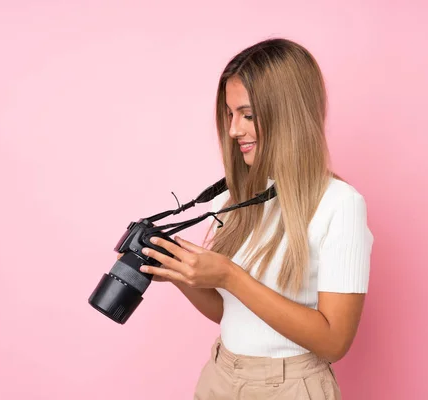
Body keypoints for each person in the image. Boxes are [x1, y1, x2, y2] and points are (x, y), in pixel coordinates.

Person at [137, 38, 373, 399]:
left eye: (247, 115)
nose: (234, 131)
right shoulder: (237, 197)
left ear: (288, 114)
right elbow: (228, 313)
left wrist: (231, 276)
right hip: (221, 374)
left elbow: (334, 342)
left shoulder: (340, 204)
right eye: (230, 115)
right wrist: (178, 271)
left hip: (290, 385)